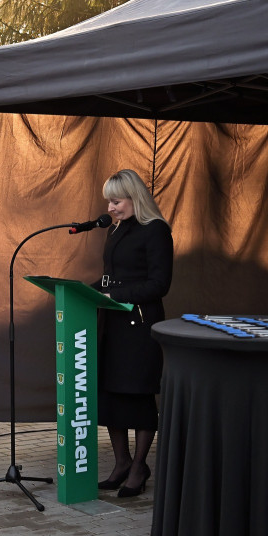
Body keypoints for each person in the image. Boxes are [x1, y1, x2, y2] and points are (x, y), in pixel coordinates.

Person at [94, 168, 173, 498]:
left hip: (140, 326)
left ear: (134, 197)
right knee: (112, 395)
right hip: (113, 324)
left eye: (116, 201)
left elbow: (159, 284)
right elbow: (113, 277)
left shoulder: (155, 231)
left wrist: (115, 296)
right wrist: (89, 291)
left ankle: (140, 467)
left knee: (138, 396)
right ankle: (122, 463)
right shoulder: (116, 231)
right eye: (109, 202)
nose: (110, 208)